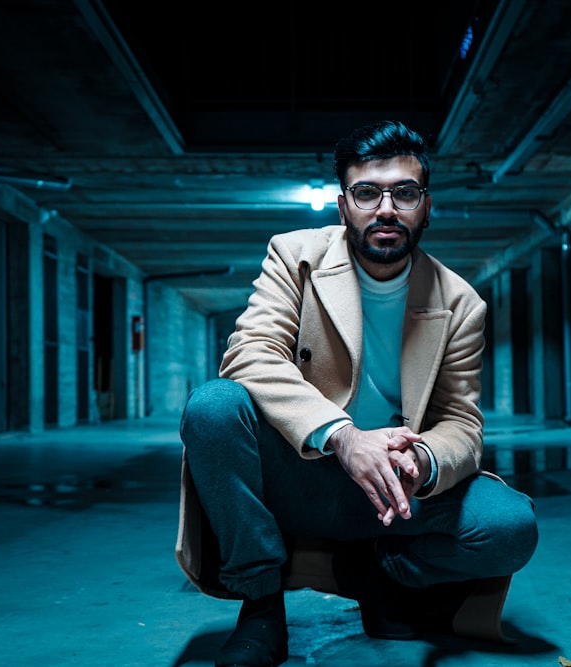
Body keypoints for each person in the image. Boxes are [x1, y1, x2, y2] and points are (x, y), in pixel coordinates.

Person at [176, 119, 538, 667]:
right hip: (303, 471)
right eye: (367, 193)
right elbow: (249, 353)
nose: (386, 209)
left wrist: (423, 458)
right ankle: (261, 605)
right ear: (344, 205)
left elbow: (461, 423)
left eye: (405, 193)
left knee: (511, 527)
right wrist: (343, 437)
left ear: (426, 205)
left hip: (397, 493)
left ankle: (379, 573)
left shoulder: (461, 302)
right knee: (213, 407)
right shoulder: (294, 255)